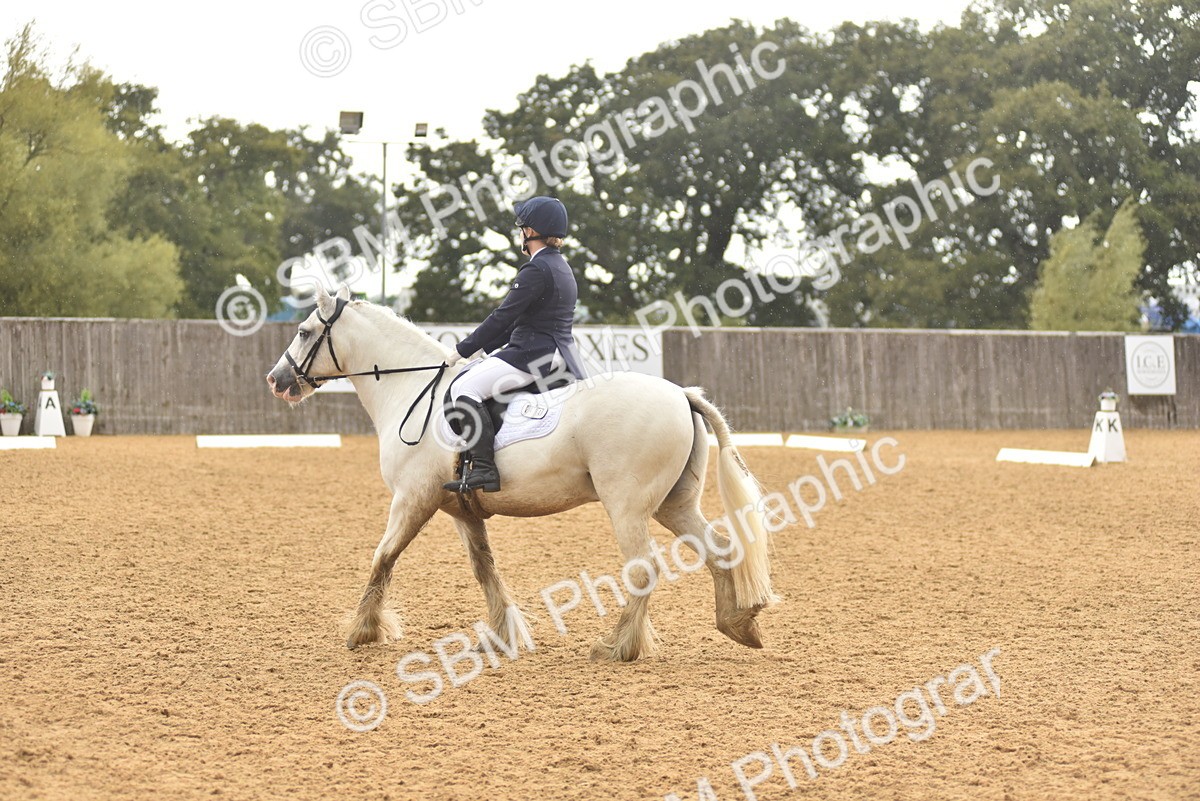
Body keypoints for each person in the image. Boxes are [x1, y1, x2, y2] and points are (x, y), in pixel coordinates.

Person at [442, 196, 586, 493]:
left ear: (530, 231)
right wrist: (484, 349)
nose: (520, 231)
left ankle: (484, 469)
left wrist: (462, 350)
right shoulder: (562, 267)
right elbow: (522, 321)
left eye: (522, 227)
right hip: (561, 358)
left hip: (531, 357)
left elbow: (503, 316)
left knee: (463, 388)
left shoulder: (535, 270)